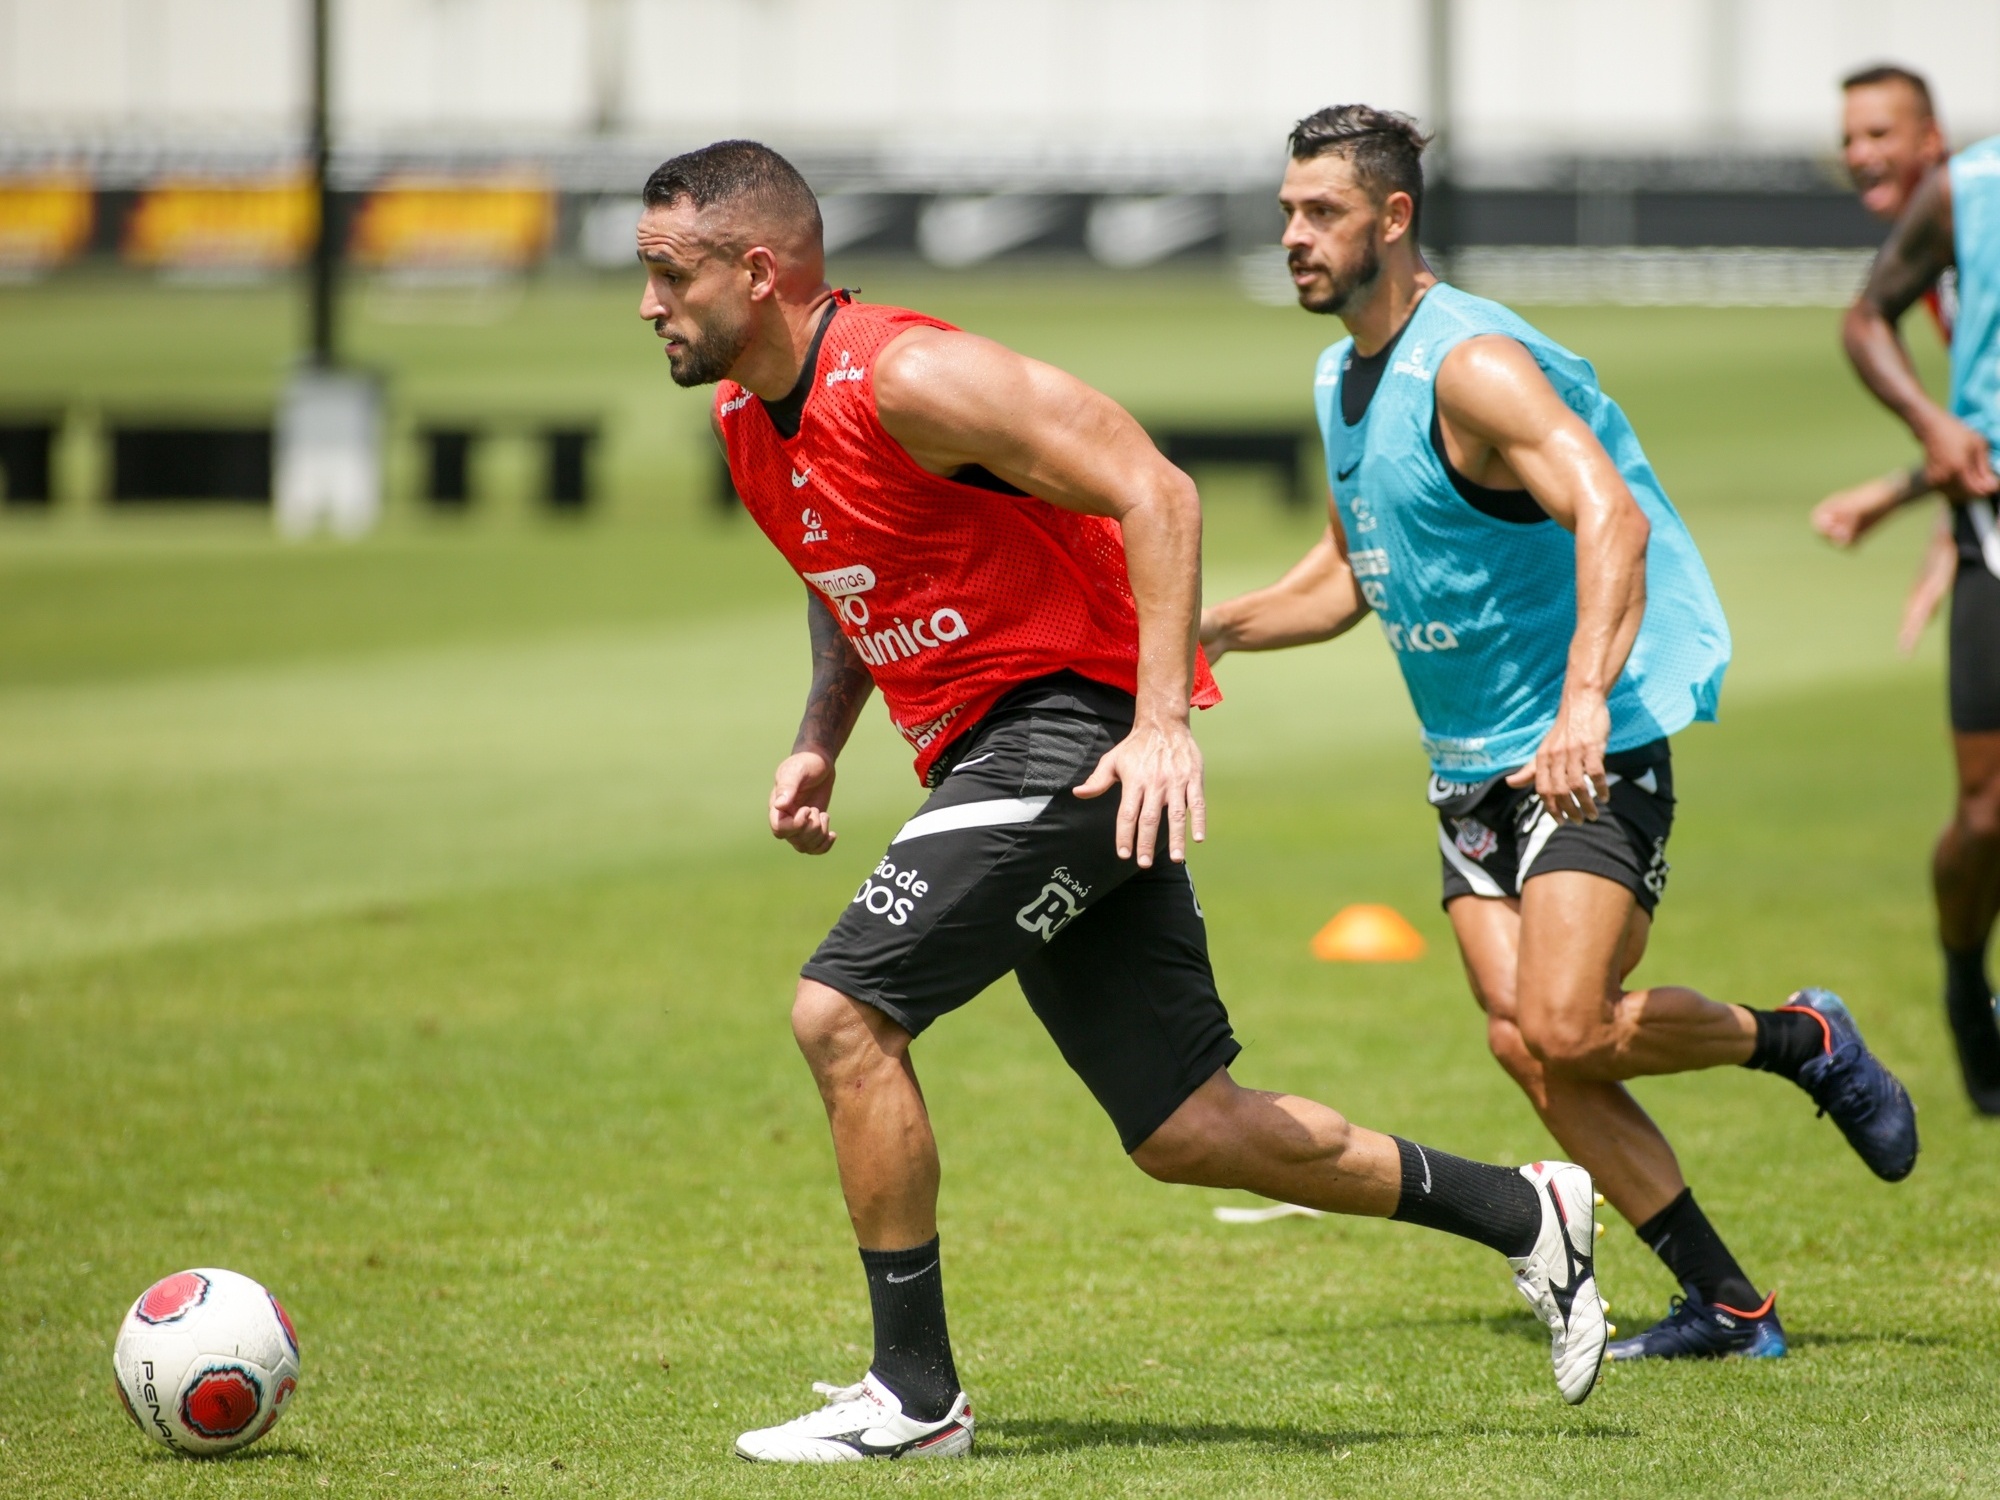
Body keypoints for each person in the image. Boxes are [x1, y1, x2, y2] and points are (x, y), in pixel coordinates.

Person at [637, 139, 1612, 1462]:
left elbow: (1155, 487)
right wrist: (823, 732)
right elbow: (844, 559)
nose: (649, 304)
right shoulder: (751, 418)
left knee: (843, 1013)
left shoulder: (911, 371)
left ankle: (915, 1398)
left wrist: (1159, 725)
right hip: (1002, 749)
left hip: (1070, 735)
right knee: (1185, 1129)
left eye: (669, 273)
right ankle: (1522, 1212)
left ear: (756, 272)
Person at [1202, 106, 1918, 1364]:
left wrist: (1585, 695)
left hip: (1586, 744)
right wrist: (1209, 630)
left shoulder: (1469, 362)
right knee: (1523, 1041)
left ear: (1392, 216)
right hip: (1468, 770)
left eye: (1317, 212)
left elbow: (1611, 519)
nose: (1292, 236)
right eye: (1283, 212)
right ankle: (1728, 1306)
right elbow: (1345, 573)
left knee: (1569, 1023)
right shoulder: (1337, 374)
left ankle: (1802, 1037)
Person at [1826, 66, 2000, 1114]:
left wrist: (1898, 496)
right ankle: (1957, 976)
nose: (1858, 153)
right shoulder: (1964, 198)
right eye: (1848, 135)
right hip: (1985, 526)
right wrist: (1927, 460)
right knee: (1984, 817)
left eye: (1876, 132)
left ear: (1925, 133)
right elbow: (1866, 325)